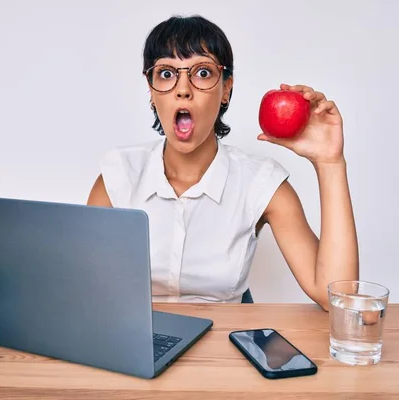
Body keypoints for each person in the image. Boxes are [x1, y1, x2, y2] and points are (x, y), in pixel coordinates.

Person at [87, 14, 358, 310]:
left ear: (226, 88)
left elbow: (338, 300)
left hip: (223, 348)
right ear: (151, 90)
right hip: (136, 345)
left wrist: (330, 163)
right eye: (166, 73)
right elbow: (83, 289)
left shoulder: (262, 184)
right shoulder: (117, 179)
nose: (183, 88)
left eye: (202, 73)